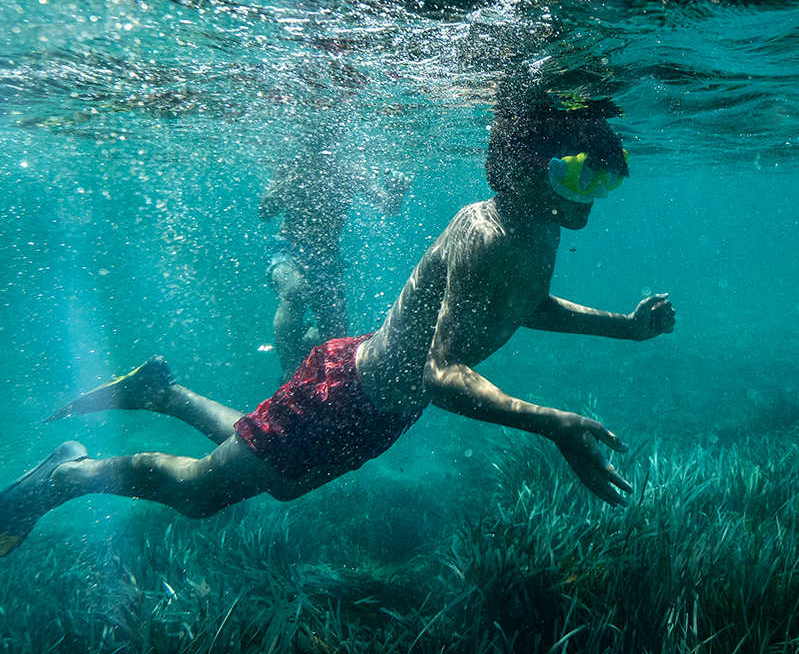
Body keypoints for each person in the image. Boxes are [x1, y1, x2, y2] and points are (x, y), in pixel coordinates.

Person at [0, 96, 675, 557]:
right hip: (345, 394)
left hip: (377, 407)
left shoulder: (536, 229)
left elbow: (527, 305)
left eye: (604, 183)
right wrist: (555, 424)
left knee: (284, 480)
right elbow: (439, 374)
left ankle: (163, 393)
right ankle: (64, 477)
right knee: (200, 492)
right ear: (524, 170)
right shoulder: (487, 234)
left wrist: (627, 328)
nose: (590, 198)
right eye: (581, 176)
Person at [259, 135, 411, 378]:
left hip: (328, 258)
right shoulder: (289, 167)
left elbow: (388, 206)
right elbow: (264, 211)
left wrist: (397, 191)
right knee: (294, 291)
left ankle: (309, 346)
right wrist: (290, 182)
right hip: (287, 249)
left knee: (335, 340)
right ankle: (288, 373)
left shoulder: (351, 171)